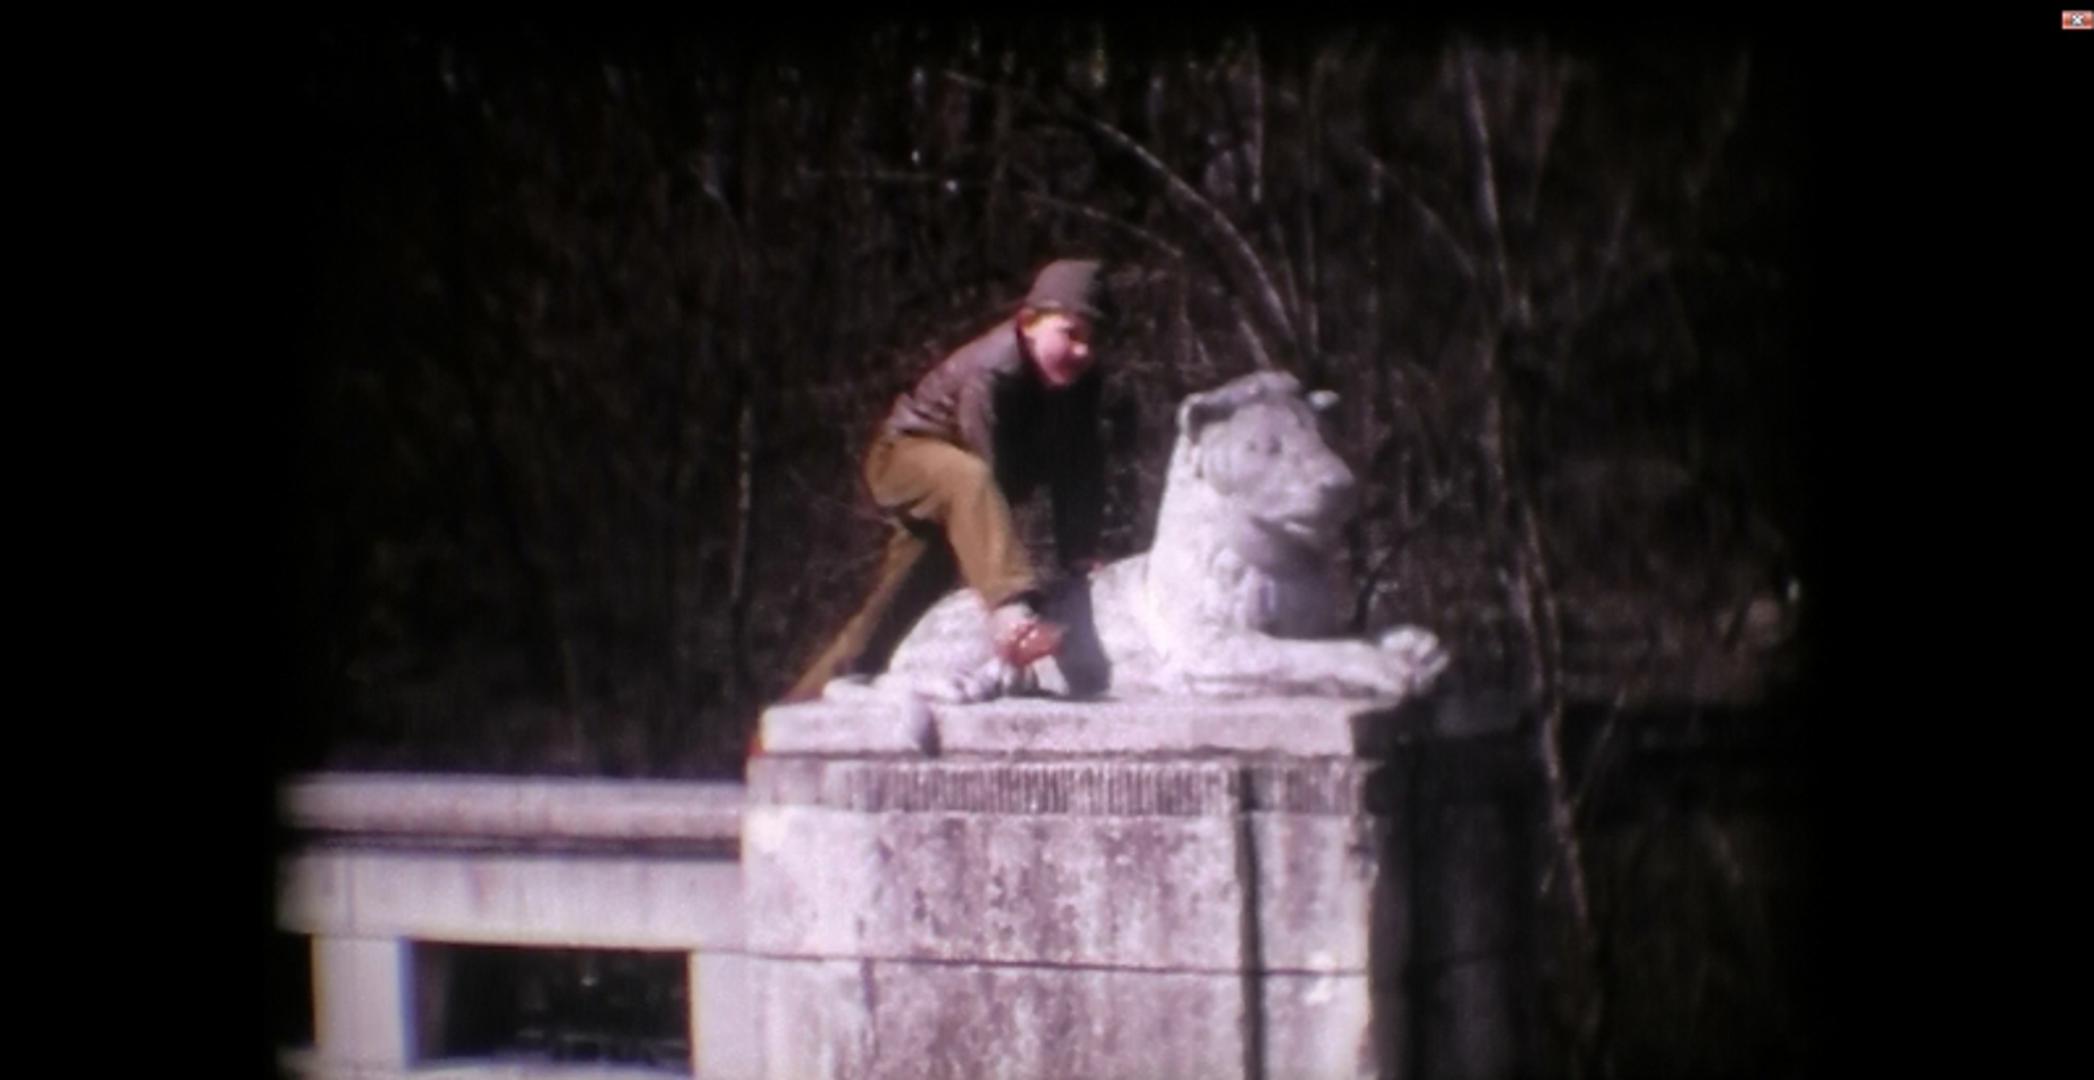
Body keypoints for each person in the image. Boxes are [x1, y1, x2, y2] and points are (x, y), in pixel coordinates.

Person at [782, 258, 1109, 703]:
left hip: (964, 496)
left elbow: (1081, 465)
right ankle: (1013, 622)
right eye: (1070, 334)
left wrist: (1079, 552)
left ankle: (792, 717)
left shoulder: (1080, 385)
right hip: (906, 456)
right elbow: (987, 469)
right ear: (1027, 323)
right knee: (968, 476)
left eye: (1092, 340)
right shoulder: (990, 373)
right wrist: (1010, 592)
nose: (1083, 351)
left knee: (887, 615)